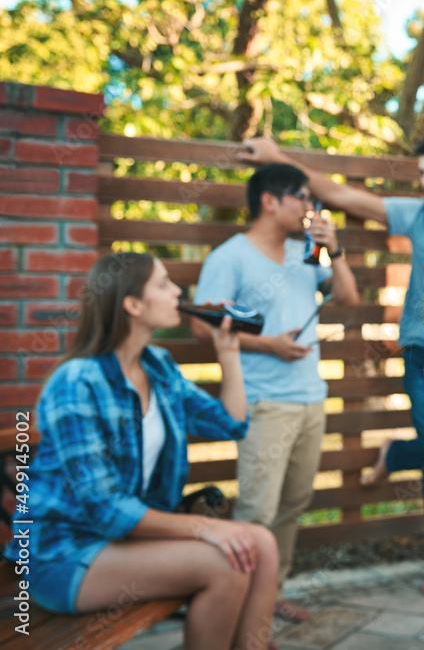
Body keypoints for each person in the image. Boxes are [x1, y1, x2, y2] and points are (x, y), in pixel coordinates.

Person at [238, 134, 424, 596]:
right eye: (421, 171)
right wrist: (277, 159)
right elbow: (343, 195)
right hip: (417, 349)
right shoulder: (417, 214)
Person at [5, 253, 278, 650]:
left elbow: (229, 424)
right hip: (65, 554)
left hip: (126, 542)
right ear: (133, 305)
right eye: (164, 283)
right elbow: (105, 508)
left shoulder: (158, 367)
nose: (179, 292)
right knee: (226, 565)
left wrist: (229, 353)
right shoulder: (77, 383)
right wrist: (208, 527)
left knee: (263, 547)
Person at [192, 162, 360, 622]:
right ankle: (237, 603)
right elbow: (200, 324)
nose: (310, 206)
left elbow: (347, 298)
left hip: (310, 397)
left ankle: (270, 593)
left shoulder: (302, 253)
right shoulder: (230, 257)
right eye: (301, 197)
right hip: (263, 401)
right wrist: (267, 343)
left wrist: (335, 249)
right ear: (269, 200)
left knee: (293, 503)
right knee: (258, 508)